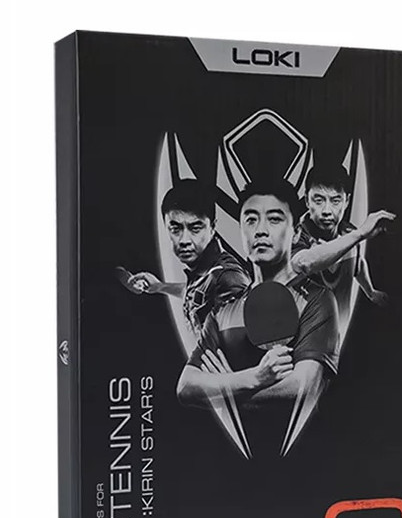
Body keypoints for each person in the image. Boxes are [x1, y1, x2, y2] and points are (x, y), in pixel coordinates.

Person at [176, 180, 339, 427]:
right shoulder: (222, 312)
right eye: (251, 220)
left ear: (296, 231)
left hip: (302, 447)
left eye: (274, 219)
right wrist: (255, 378)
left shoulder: (317, 300)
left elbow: (302, 388)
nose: (260, 230)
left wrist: (223, 387)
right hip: (231, 448)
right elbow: (187, 387)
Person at [124, 180, 250, 338]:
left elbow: (246, 340)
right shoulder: (207, 274)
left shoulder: (227, 278)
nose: (184, 240)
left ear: (212, 228)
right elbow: (199, 293)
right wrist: (160, 286)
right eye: (175, 229)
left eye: (195, 228)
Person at [291, 163, 395, 325]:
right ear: (307, 201)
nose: (327, 210)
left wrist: (370, 292)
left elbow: (357, 263)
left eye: (335, 201)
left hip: (340, 330)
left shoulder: (349, 232)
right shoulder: (295, 235)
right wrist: (360, 234)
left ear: (346, 201)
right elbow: (305, 262)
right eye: (318, 200)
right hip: (307, 334)